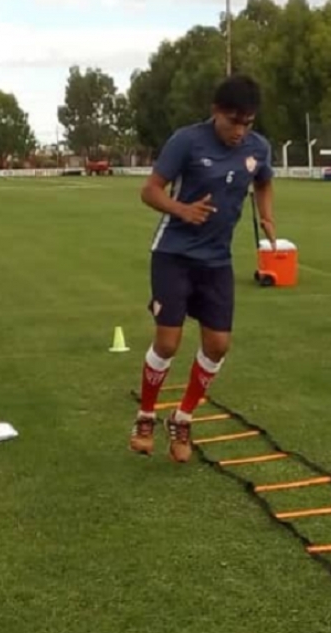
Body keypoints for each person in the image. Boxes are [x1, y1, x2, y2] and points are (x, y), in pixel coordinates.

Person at [129, 74, 276, 462]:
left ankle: (182, 417)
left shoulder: (258, 148)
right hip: (173, 254)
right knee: (168, 342)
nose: (240, 131)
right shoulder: (187, 141)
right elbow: (150, 190)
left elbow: (263, 182)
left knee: (218, 344)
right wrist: (182, 210)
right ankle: (145, 415)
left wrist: (267, 218)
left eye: (248, 122)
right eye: (233, 121)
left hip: (217, 260)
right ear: (215, 112)